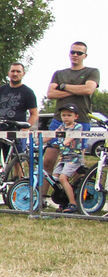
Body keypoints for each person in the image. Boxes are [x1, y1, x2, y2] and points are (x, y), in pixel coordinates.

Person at [42, 42, 99, 200]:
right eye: (73, 52)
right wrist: (76, 90)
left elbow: (88, 89)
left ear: (85, 56)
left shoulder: (92, 72)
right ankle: (42, 198)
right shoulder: (59, 73)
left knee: (76, 163)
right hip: (58, 121)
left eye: (79, 53)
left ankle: (72, 198)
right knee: (48, 160)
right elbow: (51, 94)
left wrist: (64, 87)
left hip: (81, 121)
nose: (75, 55)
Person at [49, 103, 87, 213]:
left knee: (62, 178)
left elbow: (72, 136)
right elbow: (53, 134)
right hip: (63, 158)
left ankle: (73, 203)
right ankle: (64, 200)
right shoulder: (61, 127)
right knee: (54, 178)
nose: (66, 117)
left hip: (74, 158)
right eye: (63, 115)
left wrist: (66, 141)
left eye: (69, 115)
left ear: (76, 116)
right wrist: (40, 140)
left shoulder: (78, 126)